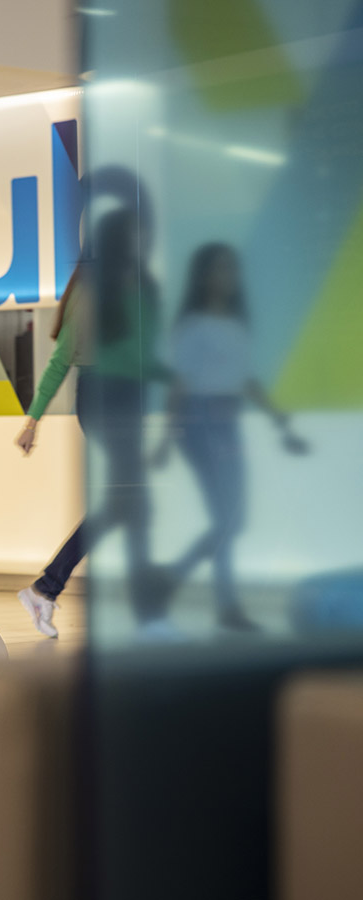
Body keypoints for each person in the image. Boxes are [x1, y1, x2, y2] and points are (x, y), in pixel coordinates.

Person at [14, 209, 169, 638]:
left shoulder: (136, 286)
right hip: (102, 397)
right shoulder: (92, 289)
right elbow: (62, 358)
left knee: (130, 500)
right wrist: (33, 420)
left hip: (127, 396)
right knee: (132, 498)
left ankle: (46, 588)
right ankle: (146, 614)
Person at [153, 243, 307, 631]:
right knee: (228, 520)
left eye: (233, 269)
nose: (229, 276)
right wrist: (167, 440)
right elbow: (180, 384)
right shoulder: (191, 327)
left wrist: (281, 424)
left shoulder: (238, 325)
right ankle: (225, 606)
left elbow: (247, 380)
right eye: (221, 269)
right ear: (204, 275)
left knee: (231, 521)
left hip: (228, 421)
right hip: (201, 421)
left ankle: (174, 579)